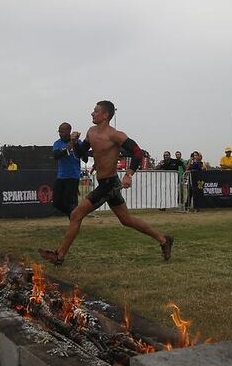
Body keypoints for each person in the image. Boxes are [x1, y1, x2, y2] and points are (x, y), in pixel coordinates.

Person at [38, 101, 173, 264]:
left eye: (95, 111)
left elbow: (138, 153)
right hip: (105, 182)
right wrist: (74, 142)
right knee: (126, 220)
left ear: (105, 115)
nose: (92, 113)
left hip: (109, 183)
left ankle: (59, 255)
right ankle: (164, 239)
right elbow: (82, 154)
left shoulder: (115, 135)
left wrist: (129, 174)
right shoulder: (91, 132)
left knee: (76, 214)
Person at [52, 122, 86, 216]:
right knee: (56, 202)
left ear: (69, 132)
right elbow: (56, 156)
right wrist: (66, 149)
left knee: (69, 202)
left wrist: (75, 143)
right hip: (61, 176)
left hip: (73, 177)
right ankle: (74, 215)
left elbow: (84, 157)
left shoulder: (78, 142)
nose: (60, 134)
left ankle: (74, 219)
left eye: (62, 132)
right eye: (59, 132)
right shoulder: (57, 143)